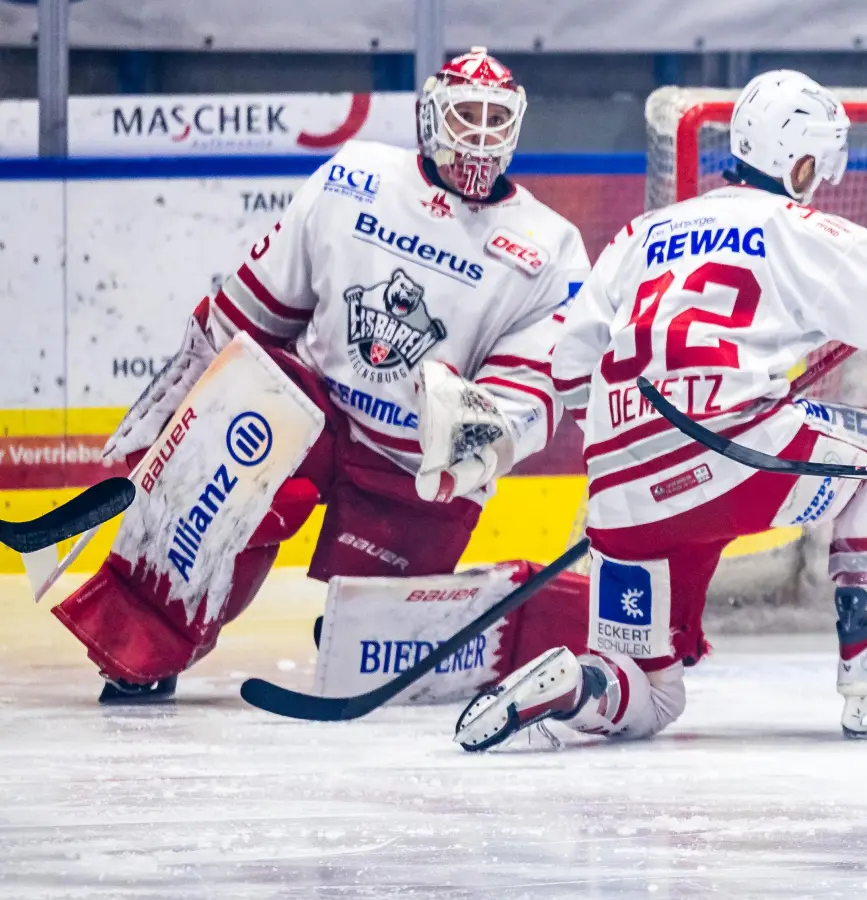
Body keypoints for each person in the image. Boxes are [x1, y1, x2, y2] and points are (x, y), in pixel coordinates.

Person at [451, 70, 867, 750]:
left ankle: (578, 682)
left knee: (651, 693)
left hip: (620, 499)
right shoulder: (799, 228)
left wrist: (636, 456)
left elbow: (571, 366)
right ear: (804, 161)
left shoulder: (638, 235)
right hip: (736, 458)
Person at [52, 47, 590, 702]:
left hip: (411, 466)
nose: (479, 134)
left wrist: (475, 442)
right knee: (237, 436)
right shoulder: (356, 177)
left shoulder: (549, 244)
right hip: (312, 418)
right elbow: (255, 308)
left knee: (373, 645)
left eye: (494, 118)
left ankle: (351, 626)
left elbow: (532, 390)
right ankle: (143, 638)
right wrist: (188, 408)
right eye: (465, 115)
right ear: (430, 117)